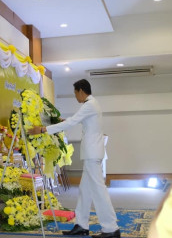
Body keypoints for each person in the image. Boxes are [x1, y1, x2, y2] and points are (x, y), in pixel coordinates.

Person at [28, 79, 120, 238]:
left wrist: (42, 129)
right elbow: (75, 121)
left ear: (81, 91)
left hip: (92, 155)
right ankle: (81, 225)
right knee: (85, 191)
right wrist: (61, 121)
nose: (75, 97)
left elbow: (72, 122)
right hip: (92, 154)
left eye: (75, 93)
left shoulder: (89, 105)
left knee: (99, 191)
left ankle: (111, 228)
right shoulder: (91, 104)